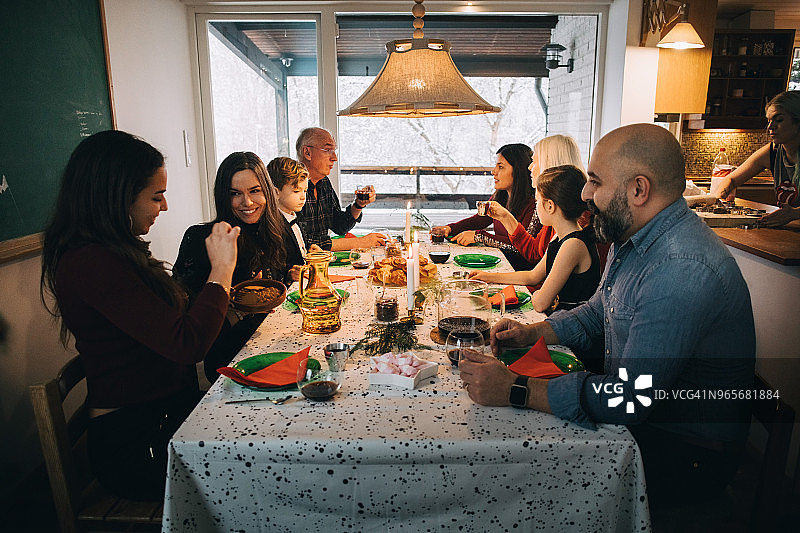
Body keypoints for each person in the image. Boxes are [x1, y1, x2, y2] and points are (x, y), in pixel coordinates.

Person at [459, 123, 755, 510]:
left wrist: (518, 389)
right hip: (646, 424)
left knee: (510, 477)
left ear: (638, 189)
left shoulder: (681, 267)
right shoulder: (633, 237)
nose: (584, 194)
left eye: (595, 182)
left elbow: (631, 397)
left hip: (684, 449)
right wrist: (533, 332)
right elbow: (597, 315)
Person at [40, 130, 238, 501]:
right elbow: (188, 344)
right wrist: (221, 271)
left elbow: (170, 321)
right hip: (136, 442)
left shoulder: (117, 252)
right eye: (156, 196)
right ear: (117, 198)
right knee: (258, 470)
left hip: (163, 416)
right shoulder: (92, 263)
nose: (163, 207)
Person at [174, 152, 288, 383]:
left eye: (254, 191)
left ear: (267, 191)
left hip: (269, 341)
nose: (247, 203)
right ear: (223, 197)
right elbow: (186, 322)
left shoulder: (272, 232)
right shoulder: (202, 238)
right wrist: (238, 309)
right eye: (235, 194)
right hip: (229, 357)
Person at [469, 165, 600, 313]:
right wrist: (488, 277)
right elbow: (533, 276)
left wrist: (541, 295)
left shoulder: (573, 245)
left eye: (537, 201)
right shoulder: (560, 236)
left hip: (572, 324)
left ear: (550, 206)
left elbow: (541, 303)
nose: (536, 206)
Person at [431, 144, 539, 270]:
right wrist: (450, 228)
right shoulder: (501, 196)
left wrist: (479, 236)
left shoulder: (534, 203)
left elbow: (523, 246)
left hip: (518, 269)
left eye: (501, 167)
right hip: (500, 262)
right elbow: (479, 220)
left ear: (519, 170)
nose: (494, 172)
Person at [715, 90, 800, 226]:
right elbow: (731, 179)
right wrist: (718, 202)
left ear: (797, 122)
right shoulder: (773, 151)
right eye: (769, 121)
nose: (770, 127)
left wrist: (794, 213)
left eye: (779, 120)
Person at [296, 127, 385, 250]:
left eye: (334, 151)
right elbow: (302, 242)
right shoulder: (291, 186)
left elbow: (339, 227)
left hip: (322, 261)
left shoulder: (324, 183)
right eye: (327, 150)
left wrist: (358, 205)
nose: (334, 158)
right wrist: (359, 242)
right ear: (307, 153)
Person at [267, 156, 315, 276]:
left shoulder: (294, 216)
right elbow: (275, 270)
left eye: (305, 191)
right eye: (296, 191)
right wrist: (288, 275)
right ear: (275, 192)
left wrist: (311, 252)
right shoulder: (273, 226)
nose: (303, 197)